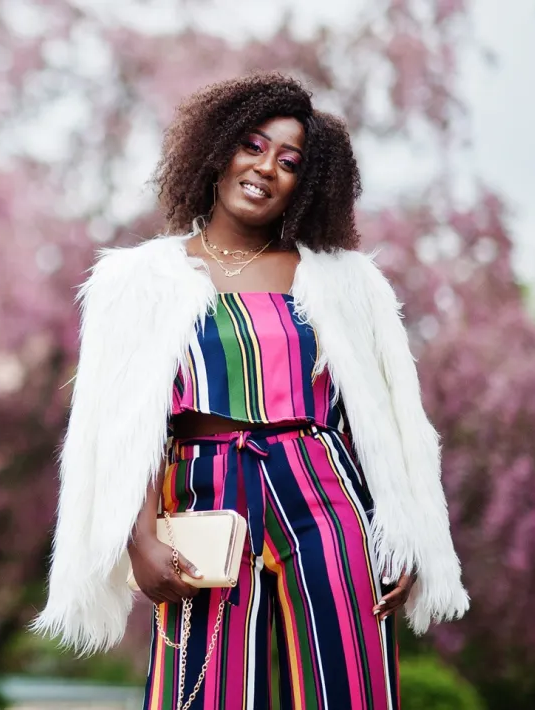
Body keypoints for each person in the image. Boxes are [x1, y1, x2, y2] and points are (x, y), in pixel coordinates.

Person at [32, 73, 469, 710]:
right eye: (254, 146)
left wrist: (402, 534)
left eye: (289, 162)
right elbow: (124, 427)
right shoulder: (140, 281)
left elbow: (384, 418)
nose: (266, 167)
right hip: (204, 501)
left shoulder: (344, 283)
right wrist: (141, 534)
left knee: (349, 687)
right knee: (200, 692)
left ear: (307, 184)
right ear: (218, 151)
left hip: (326, 496)